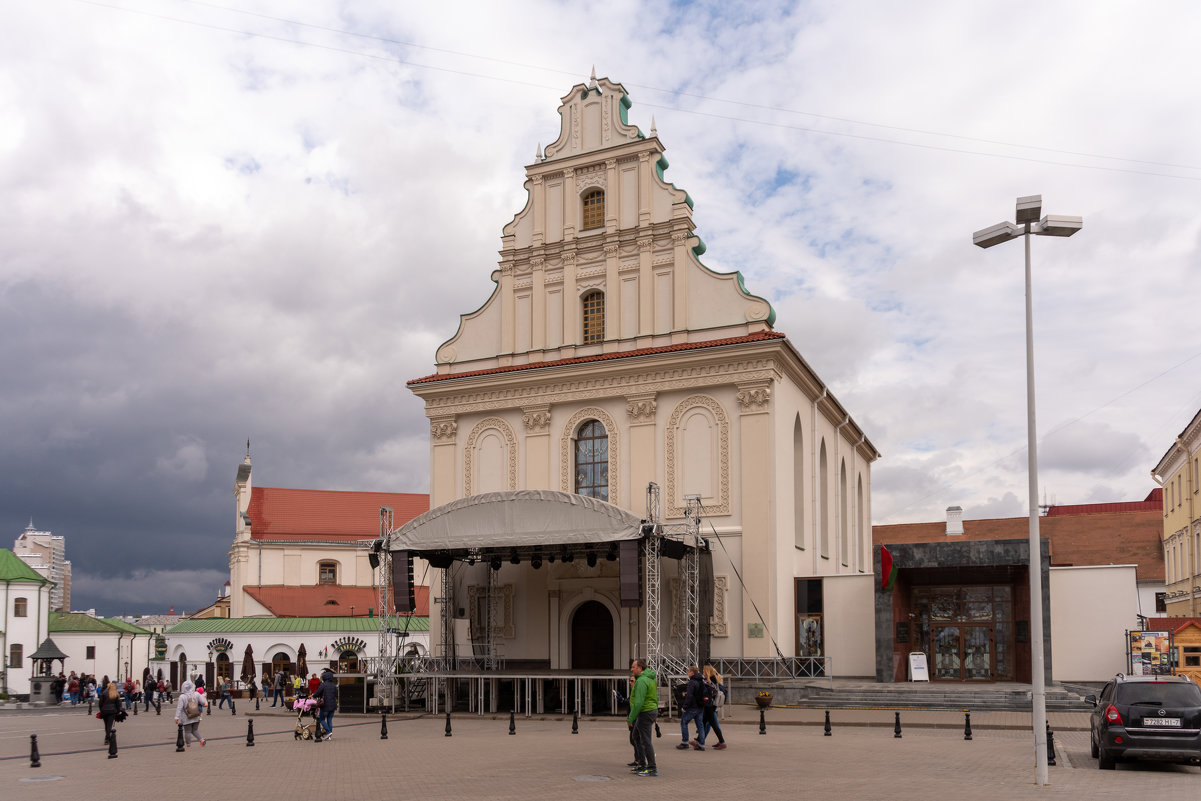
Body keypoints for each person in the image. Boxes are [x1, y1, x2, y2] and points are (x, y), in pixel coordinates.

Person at [627, 659, 658, 777]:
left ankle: (651, 767)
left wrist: (630, 718)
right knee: (636, 736)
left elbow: (639, 702)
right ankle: (641, 764)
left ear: (640, 668)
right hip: (650, 711)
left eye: (633, 667)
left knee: (645, 740)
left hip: (645, 712)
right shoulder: (650, 679)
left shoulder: (641, 681)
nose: (631, 669)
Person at [678, 666, 706, 750]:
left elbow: (690, 696)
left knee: (684, 722)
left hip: (692, 706)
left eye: (688, 671)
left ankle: (685, 742)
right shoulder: (701, 681)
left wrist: (684, 707)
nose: (687, 673)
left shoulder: (692, 682)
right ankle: (702, 744)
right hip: (700, 706)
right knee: (700, 725)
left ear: (692, 673)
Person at [700, 665, 727, 750]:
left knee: (712, 724)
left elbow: (706, 693)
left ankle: (721, 742)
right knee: (706, 722)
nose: (703, 673)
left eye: (704, 671)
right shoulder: (715, 679)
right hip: (712, 705)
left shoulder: (708, 681)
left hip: (709, 705)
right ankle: (700, 740)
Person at [174, 680, 207, 748]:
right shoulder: (196, 694)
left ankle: (188, 745)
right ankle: (201, 740)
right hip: (196, 715)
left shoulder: (182, 697)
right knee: (195, 730)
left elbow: (179, 708)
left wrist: (176, 717)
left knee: (187, 731)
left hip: (186, 717)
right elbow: (204, 702)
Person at [314, 670, 338, 742]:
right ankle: (329, 736)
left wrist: (314, 695)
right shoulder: (334, 686)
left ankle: (328, 732)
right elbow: (336, 695)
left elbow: (317, 693)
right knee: (329, 720)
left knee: (322, 719)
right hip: (333, 706)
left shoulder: (323, 685)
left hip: (325, 706)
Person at [98, 681, 124, 745]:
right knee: (109, 725)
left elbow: (100, 703)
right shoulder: (115, 694)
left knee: (106, 725)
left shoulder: (103, 693)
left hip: (104, 711)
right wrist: (119, 711)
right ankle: (107, 738)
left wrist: (101, 710)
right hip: (112, 711)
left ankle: (107, 737)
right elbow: (118, 704)